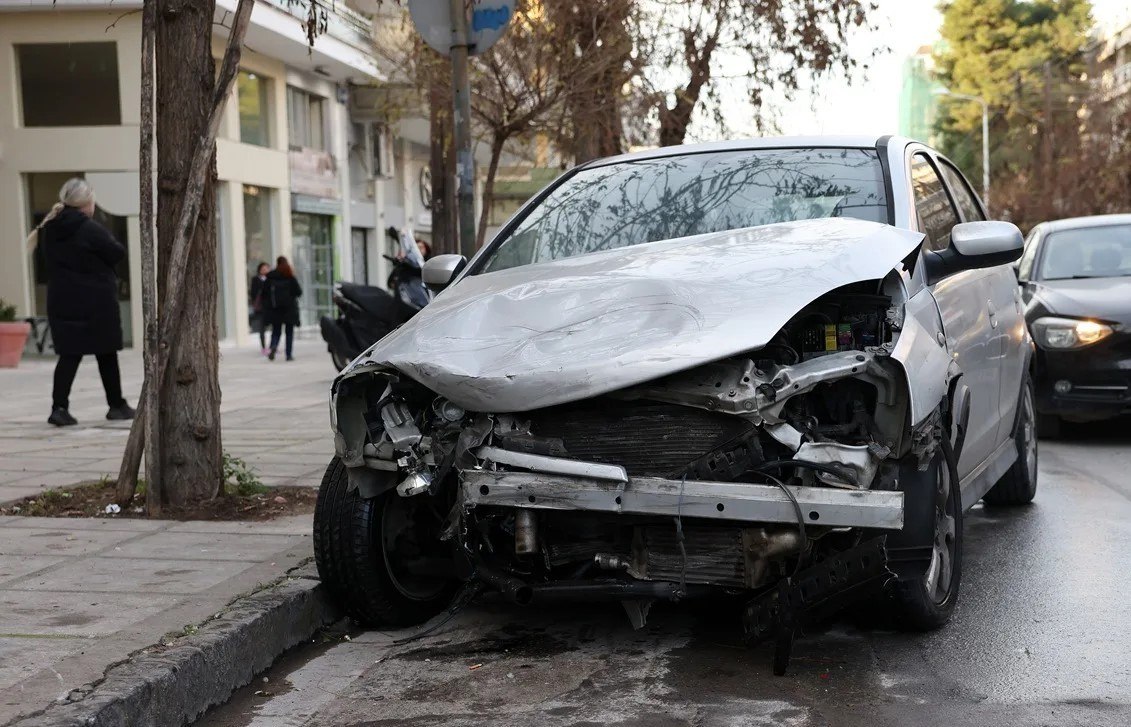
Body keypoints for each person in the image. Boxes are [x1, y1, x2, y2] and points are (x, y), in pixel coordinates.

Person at [27, 178, 134, 426]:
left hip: (62, 300)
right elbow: (117, 252)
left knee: (69, 355)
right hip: (96, 301)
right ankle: (116, 405)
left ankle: (59, 407)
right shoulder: (89, 228)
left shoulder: (49, 228)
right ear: (87, 203)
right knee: (106, 353)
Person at [263, 255, 301, 361]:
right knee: (289, 332)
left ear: (277, 263)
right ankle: (288, 355)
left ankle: (274, 345)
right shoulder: (289, 276)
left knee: (276, 331)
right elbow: (298, 292)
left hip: (275, 309)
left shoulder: (271, 277)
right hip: (290, 309)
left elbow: (264, 293)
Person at [248, 262, 270, 355]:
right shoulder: (255, 279)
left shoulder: (271, 279)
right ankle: (264, 347)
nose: (265, 270)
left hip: (270, 307)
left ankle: (273, 346)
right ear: (259, 270)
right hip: (261, 307)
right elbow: (253, 293)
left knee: (274, 327)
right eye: (263, 269)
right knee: (262, 328)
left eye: (267, 268)